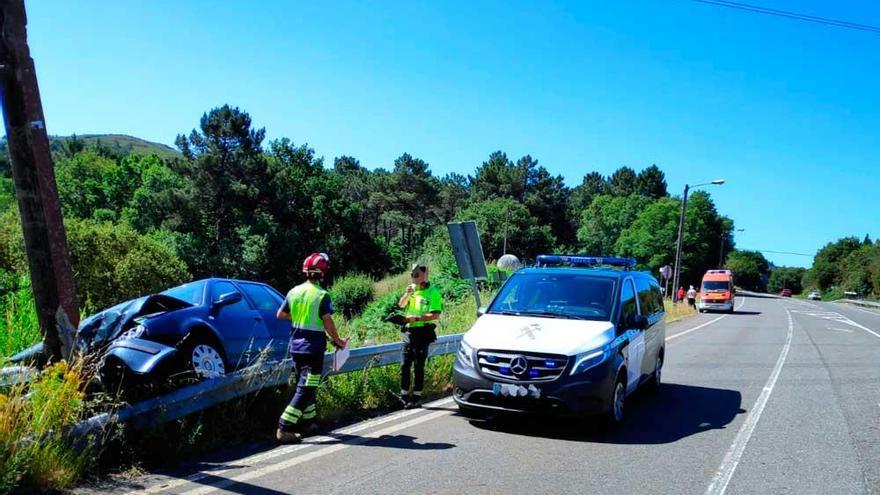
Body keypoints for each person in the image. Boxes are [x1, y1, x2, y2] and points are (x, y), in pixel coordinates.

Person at [276, 252, 347, 444]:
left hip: (296, 347)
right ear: (322, 273)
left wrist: (300, 317)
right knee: (307, 388)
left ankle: (308, 423)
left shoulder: (293, 292)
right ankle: (284, 427)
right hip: (312, 349)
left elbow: (280, 314)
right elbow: (328, 321)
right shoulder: (321, 295)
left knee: (306, 384)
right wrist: (338, 340)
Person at [397, 263, 442, 409]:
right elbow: (401, 305)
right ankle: (404, 396)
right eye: (412, 275)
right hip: (409, 331)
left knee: (418, 365)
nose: (413, 277)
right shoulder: (412, 289)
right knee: (405, 364)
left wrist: (417, 318)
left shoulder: (433, 292)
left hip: (423, 332)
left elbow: (435, 314)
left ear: (424, 275)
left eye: (416, 275)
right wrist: (406, 294)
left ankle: (416, 397)